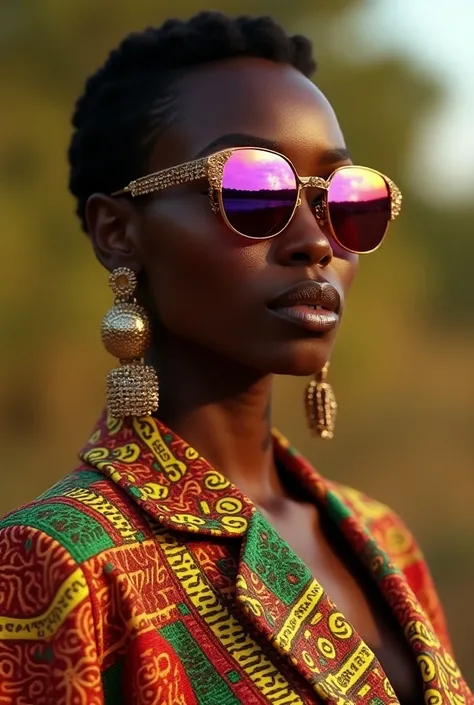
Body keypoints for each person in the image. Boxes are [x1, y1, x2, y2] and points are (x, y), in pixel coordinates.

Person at [0, 11, 471, 705]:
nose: (316, 241)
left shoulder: (382, 538)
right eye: (254, 191)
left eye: (345, 201)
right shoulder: (56, 560)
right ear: (118, 233)